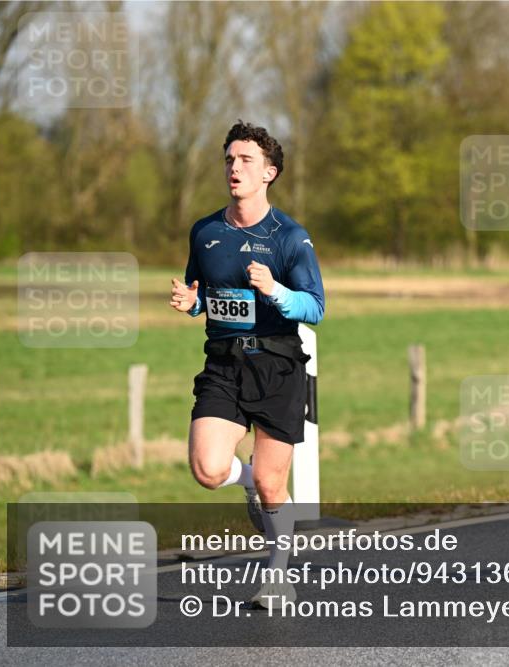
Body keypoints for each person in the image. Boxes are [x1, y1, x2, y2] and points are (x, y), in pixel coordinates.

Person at [169, 120, 325, 609]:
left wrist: (276, 290)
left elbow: (315, 307)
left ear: (268, 173)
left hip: (277, 365)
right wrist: (191, 303)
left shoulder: (289, 237)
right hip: (223, 364)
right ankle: (249, 479)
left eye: (246, 160)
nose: (234, 168)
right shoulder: (206, 231)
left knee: (273, 484)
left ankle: (278, 576)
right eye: (230, 159)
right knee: (208, 469)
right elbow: (204, 294)